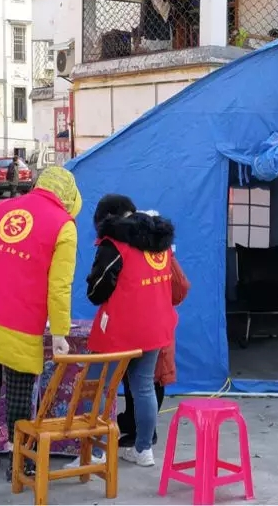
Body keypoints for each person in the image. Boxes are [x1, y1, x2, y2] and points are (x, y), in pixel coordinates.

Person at [0, 166, 81, 479]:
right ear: (67, 194)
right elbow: (59, 286)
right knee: (19, 394)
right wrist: (60, 332)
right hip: (19, 323)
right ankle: (19, 462)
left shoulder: (0, 209)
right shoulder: (63, 225)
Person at [85, 194, 178, 467]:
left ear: (106, 218)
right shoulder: (160, 242)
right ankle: (143, 449)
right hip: (156, 327)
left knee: (96, 388)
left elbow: (97, 289)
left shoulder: (114, 243)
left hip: (120, 329)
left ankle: (96, 453)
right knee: (144, 388)